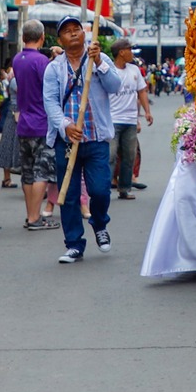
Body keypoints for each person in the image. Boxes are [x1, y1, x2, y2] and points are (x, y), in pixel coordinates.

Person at [43, 17, 124, 265]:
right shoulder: (54, 68)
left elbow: (115, 86)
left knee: (100, 190)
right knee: (68, 194)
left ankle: (99, 223)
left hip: (96, 137)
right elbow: (50, 102)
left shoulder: (98, 58)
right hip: (67, 141)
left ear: (84, 33)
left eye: (76, 29)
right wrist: (65, 126)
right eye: (67, 32)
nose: (73, 34)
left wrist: (99, 62)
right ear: (60, 40)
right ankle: (74, 244)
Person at [11, 20, 56, 232]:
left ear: (23, 37)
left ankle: (31, 215)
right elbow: (50, 89)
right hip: (41, 123)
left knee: (27, 172)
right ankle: (35, 217)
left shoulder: (17, 59)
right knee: (42, 171)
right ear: (42, 37)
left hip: (24, 123)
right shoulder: (42, 62)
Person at [107, 39, 151, 199]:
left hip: (130, 120)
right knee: (110, 156)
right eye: (129, 49)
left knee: (129, 155)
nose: (132, 53)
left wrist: (147, 112)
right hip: (112, 119)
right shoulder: (109, 70)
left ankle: (124, 188)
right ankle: (104, 189)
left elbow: (142, 91)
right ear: (121, 52)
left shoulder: (134, 70)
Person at [0, 60, 20, 188]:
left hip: (16, 112)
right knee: (10, 144)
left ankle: (7, 177)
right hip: (16, 113)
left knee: (10, 144)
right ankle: (7, 177)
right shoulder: (16, 80)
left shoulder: (14, 78)